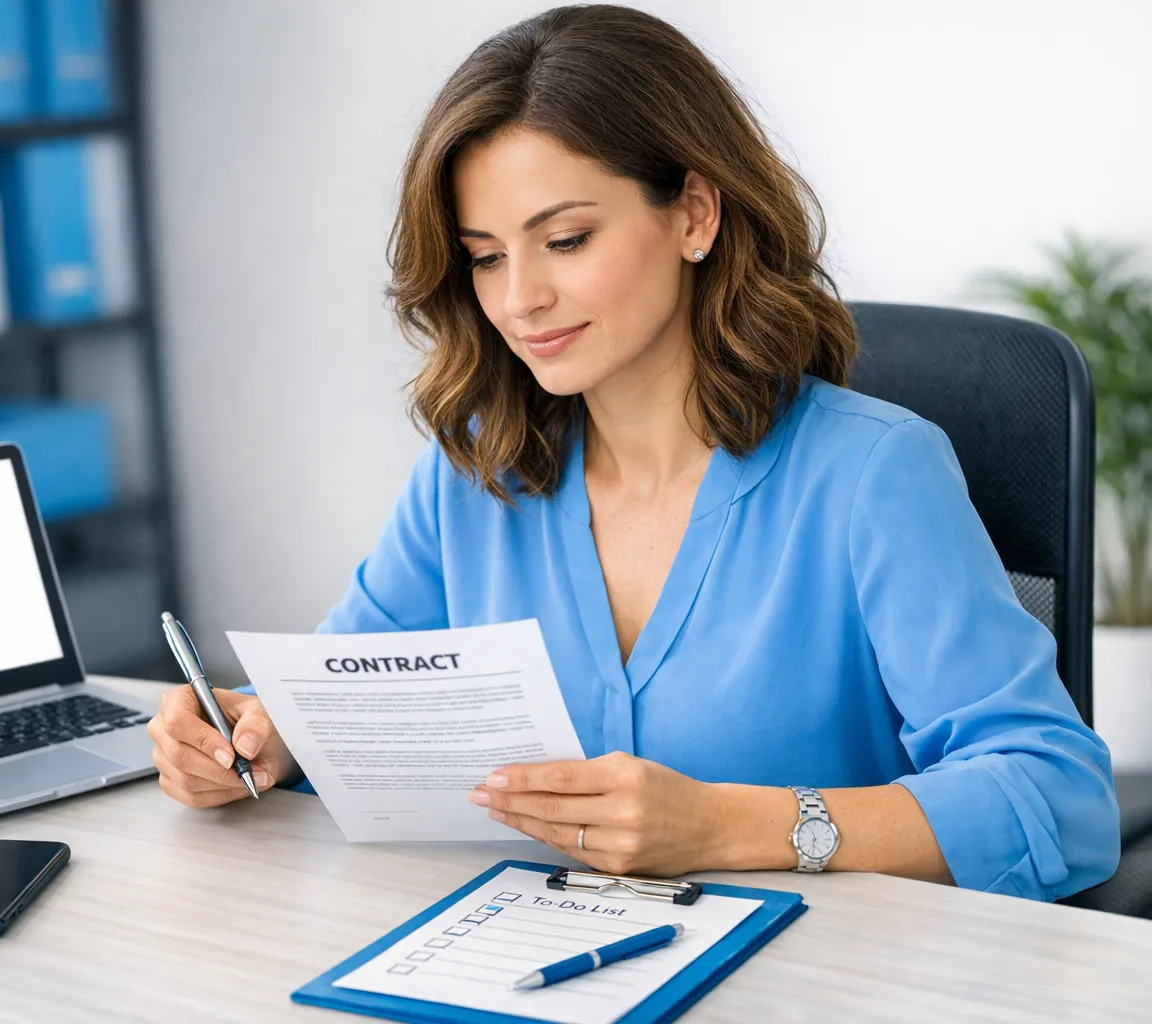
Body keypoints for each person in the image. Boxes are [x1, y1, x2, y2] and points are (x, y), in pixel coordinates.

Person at [146, 4, 1119, 901]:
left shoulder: (874, 477)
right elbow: (340, 701)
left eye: (564, 239)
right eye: (486, 255)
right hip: (526, 969)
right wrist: (256, 735)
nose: (519, 297)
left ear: (694, 214)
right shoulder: (477, 471)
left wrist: (727, 823)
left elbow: (1060, 803)